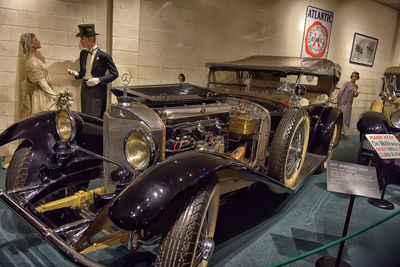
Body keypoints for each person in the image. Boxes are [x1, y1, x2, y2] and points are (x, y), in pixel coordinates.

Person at [67, 24, 118, 119]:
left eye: (82, 38)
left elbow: (115, 74)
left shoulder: (104, 56)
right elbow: (83, 73)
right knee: (85, 115)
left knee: (94, 118)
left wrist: (98, 80)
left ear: (90, 38)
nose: (81, 41)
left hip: (97, 91)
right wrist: (76, 74)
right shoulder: (83, 54)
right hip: (85, 88)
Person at [20, 33, 57, 114]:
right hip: (41, 97)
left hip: (43, 94)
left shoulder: (34, 59)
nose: (39, 41)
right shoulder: (32, 61)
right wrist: (56, 96)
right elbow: (41, 82)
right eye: (36, 40)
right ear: (31, 44)